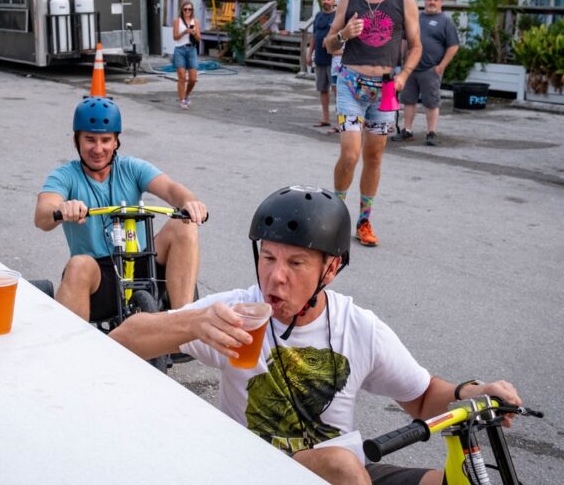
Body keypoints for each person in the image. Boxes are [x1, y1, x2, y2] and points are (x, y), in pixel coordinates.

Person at [110, 185, 523, 485]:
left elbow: (420, 397)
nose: (276, 276)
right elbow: (122, 340)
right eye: (268, 257)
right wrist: (192, 323)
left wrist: (470, 392)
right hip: (250, 470)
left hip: (342, 472)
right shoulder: (233, 312)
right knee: (342, 465)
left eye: (297, 262)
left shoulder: (357, 327)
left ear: (330, 269)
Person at [34, 96, 208, 321]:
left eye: (106, 140)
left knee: (184, 226)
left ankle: (184, 326)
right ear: (76, 140)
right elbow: (43, 214)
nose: (98, 149)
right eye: (90, 139)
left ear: (116, 141)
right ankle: (73, 350)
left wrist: (189, 203)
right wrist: (62, 208)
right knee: (78, 264)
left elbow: (172, 189)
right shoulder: (64, 176)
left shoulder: (131, 168)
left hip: (142, 262)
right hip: (99, 275)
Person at [323, 0, 421, 247]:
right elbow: (329, 44)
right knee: (350, 154)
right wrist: (343, 35)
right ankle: (337, 214)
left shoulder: (404, 0)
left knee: (374, 156)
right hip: (351, 83)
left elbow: (417, 46)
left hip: (388, 88)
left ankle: (364, 221)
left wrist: (404, 75)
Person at [392, 0, 459, 146]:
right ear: (425, 1)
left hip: (431, 69)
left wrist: (441, 66)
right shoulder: (416, 18)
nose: (432, 2)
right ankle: (407, 131)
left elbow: (453, 46)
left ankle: (431, 133)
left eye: (435, 0)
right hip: (410, 69)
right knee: (408, 100)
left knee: (431, 102)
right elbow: (404, 40)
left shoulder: (446, 21)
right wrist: (400, 63)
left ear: (440, 2)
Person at [307, 0, 338, 128]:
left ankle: (340, 122)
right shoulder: (318, 16)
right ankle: (325, 118)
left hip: (335, 60)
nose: (326, 1)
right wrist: (309, 54)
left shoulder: (338, 16)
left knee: (338, 91)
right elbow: (314, 36)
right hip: (320, 58)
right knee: (322, 89)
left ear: (333, 1)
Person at [172, 0, 201, 110]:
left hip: (191, 50)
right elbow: (175, 37)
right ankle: (182, 100)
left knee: (193, 79)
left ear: (192, 10)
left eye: (189, 9)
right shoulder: (177, 21)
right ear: (182, 10)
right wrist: (185, 32)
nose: (187, 11)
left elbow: (199, 38)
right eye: (185, 9)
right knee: (182, 77)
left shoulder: (195, 21)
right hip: (180, 50)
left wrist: (194, 33)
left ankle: (186, 94)